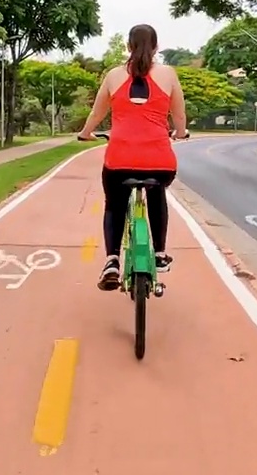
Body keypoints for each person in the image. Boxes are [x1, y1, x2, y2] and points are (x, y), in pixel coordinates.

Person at [78, 24, 189, 291]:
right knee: (157, 192)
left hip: (119, 159)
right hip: (160, 160)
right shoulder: (168, 74)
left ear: (128, 47)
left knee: (114, 205)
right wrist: (181, 133)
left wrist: (86, 134)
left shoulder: (114, 75)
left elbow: (96, 115)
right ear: (156, 47)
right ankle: (160, 253)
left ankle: (113, 260)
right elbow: (180, 118)